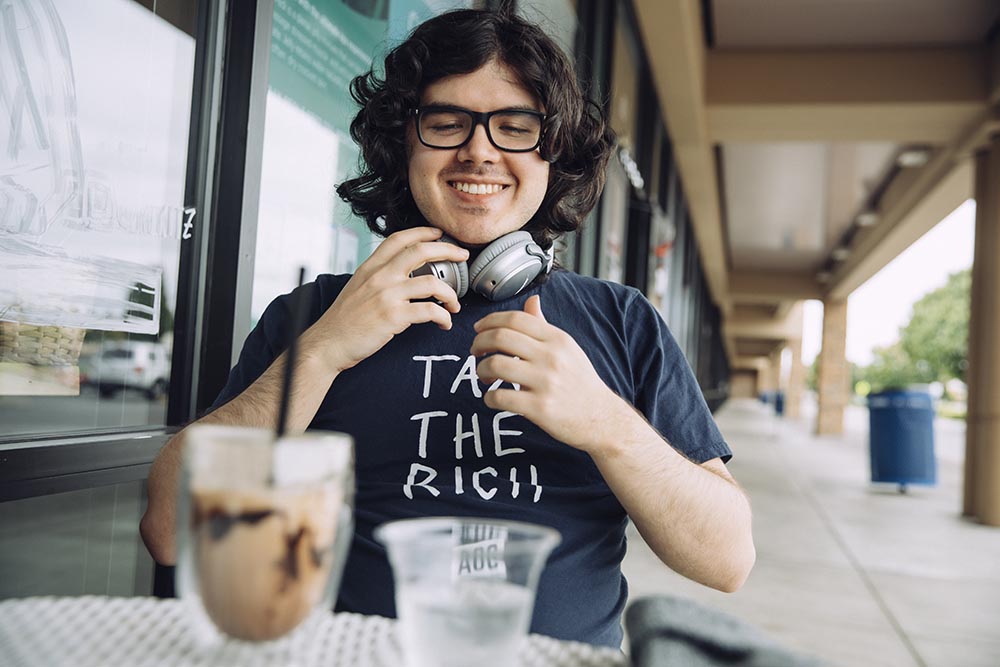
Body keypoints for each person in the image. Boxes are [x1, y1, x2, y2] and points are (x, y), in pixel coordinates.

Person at [140, 6, 755, 649]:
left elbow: (726, 559)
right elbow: (169, 532)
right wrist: (324, 351)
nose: (479, 150)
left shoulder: (624, 322)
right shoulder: (312, 316)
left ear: (554, 154)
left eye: (515, 127)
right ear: (403, 143)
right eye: (445, 123)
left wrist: (605, 423)